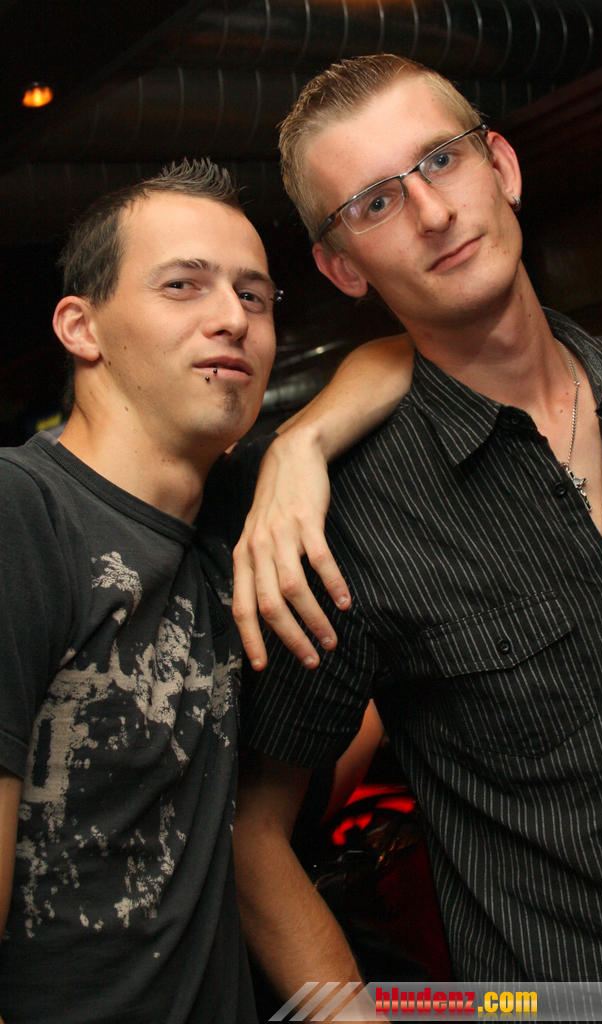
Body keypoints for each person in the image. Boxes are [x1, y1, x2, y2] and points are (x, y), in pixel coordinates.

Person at [232, 53, 602, 992]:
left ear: (500, 167)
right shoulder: (346, 518)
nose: (432, 212)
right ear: (341, 267)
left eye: (440, 159)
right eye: (375, 203)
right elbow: (252, 833)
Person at [0, 158, 411, 1024]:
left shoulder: (232, 520)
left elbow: (403, 355)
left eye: (254, 296)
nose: (232, 318)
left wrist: (300, 444)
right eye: (182, 285)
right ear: (81, 326)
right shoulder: (24, 512)